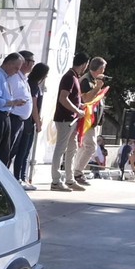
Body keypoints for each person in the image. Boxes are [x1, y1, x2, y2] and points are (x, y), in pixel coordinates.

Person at [48, 52, 88, 191]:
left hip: (72, 119)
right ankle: (56, 181)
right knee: (61, 149)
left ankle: (69, 179)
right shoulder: (69, 77)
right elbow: (63, 98)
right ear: (84, 64)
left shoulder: (74, 77)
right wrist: (77, 110)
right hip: (66, 119)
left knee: (72, 149)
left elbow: (69, 98)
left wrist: (78, 108)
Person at [68, 57, 110, 188]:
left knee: (85, 147)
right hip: (86, 119)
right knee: (90, 147)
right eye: (103, 68)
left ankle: (76, 172)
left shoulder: (93, 80)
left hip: (92, 120)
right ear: (100, 69)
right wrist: (98, 87)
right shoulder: (86, 80)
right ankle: (77, 173)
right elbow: (86, 99)